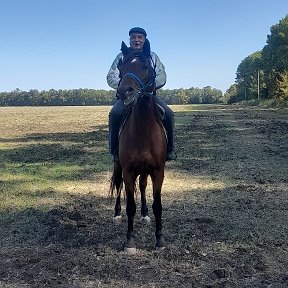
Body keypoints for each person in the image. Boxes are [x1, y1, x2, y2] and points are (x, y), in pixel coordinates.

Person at [107, 27, 176, 161]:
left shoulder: (152, 56)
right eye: (134, 37)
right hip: (128, 96)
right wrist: (124, 86)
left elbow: (162, 75)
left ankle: (170, 150)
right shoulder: (121, 56)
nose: (136, 40)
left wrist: (149, 86)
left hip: (148, 96)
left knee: (169, 114)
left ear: (144, 40)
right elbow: (111, 76)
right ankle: (114, 151)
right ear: (130, 40)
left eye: (140, 37)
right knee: (115, 114)